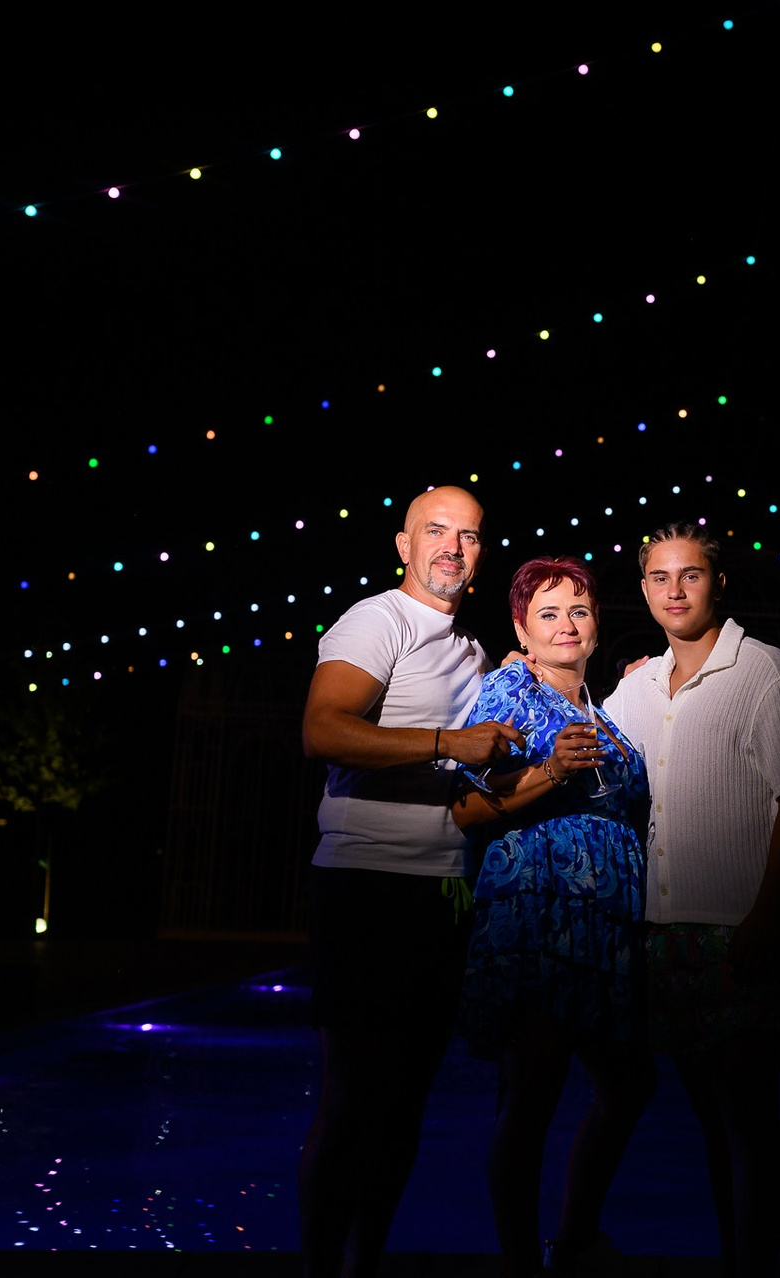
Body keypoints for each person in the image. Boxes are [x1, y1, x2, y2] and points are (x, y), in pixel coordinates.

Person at [297, 485, 524, 1278]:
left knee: (406, 1101)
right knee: (354, 1097)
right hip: (366, 884)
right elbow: (323, 729)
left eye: (469, 536)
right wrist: (447, 742)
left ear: (481, 554)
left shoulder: (471, 652)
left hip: (444, 891)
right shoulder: (377, 621)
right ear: (403, 544)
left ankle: (363, 1266)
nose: (452, 548)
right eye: (436, 531)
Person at [603, 523, 780, 1278]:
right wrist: (524, 669)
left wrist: (766, 914)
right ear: (644, 590)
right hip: (660, 935)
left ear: (717, 584)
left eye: (690, 575)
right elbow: (579, 737)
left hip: (738, 932)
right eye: (659, 577)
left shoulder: (762, 670)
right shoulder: (638, 686)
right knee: (708, 1116)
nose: (675, 590)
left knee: (748, 1117)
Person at [450, 557, 658, 1277]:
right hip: (537, 916)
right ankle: (521, 1263)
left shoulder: (609, 711)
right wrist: (550, 772)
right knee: (531, 1096)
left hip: (605, 926)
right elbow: (466, 808)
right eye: (547, 613)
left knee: (630, 1084)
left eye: (579, 610)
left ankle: (572, 1239)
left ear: (597, 625)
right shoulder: (511, 689)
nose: (566, 624)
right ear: (521, 630)